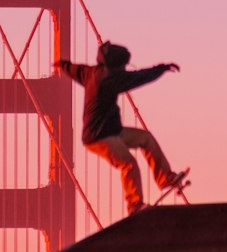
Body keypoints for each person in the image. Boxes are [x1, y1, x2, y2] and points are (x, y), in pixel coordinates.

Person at [56, 42, 187, 215]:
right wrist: (160, 69)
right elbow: (139, 77)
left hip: (113, 131)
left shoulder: (90, 72)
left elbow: (75, 69)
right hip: (98, 137)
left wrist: (62, 64)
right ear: (116, 66)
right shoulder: (111, 79)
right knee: (129, 164)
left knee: (146, 138)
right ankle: (134, 205)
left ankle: (165, 177)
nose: (125, 69)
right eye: (123, 66)